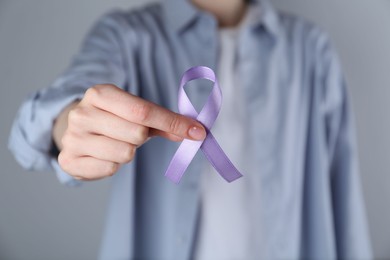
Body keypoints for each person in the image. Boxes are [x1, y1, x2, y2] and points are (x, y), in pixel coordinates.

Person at [9, 0, 372, 259]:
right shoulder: (126, 35)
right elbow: (64, 102)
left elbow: (343, 192)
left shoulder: (310, 49)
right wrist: (68, 123)